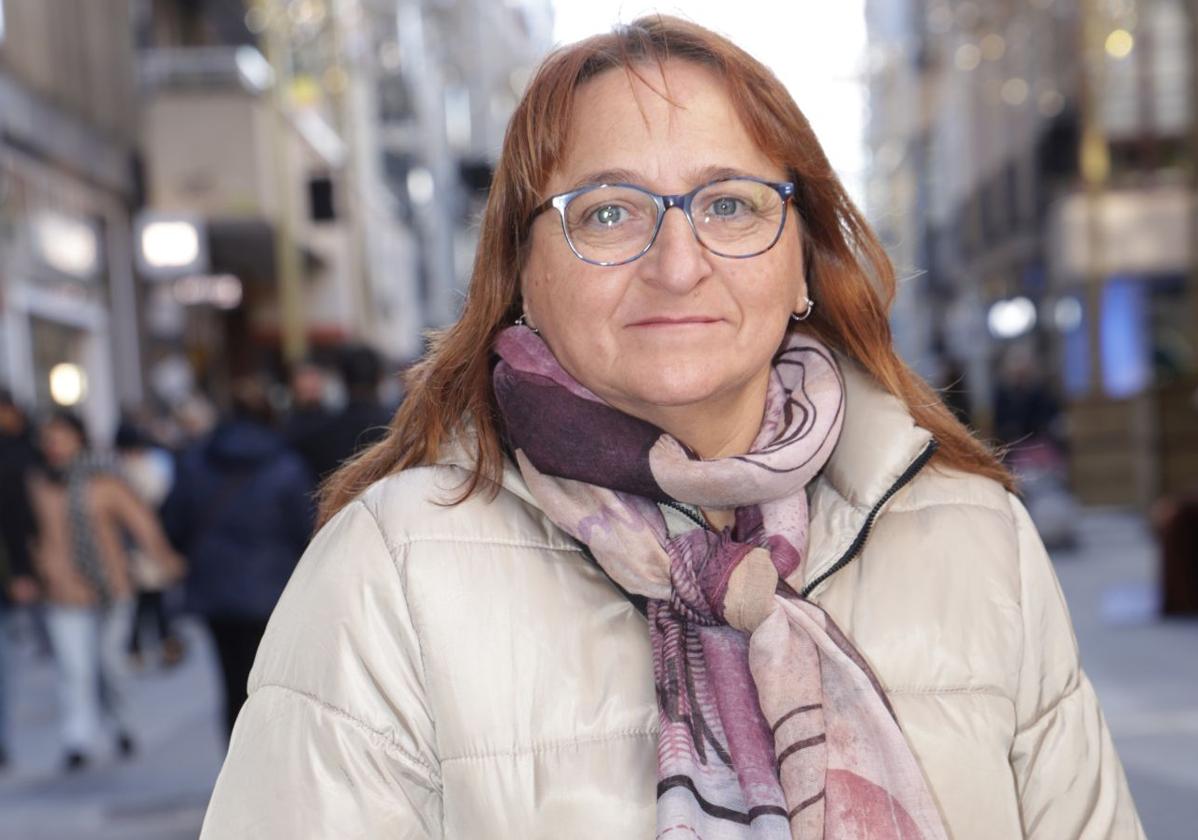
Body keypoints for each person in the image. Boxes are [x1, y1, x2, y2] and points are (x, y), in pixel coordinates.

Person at [201, 18, 1144, 839]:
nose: (678, 263)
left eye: (730, 205)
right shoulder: (390, 571)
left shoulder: (979, 541)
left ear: (803, 263)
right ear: (521, 273)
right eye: (608, 213)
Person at [28, 411, 184, 771]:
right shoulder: (39, 485)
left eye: (60, 436)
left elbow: (141, 523)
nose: (54, 445)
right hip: (62, 591)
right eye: (48, 438)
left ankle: (123, 724)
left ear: (78, 438)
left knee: (110, 663)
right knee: (74, 667)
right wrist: (38, 567)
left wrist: (165, 561)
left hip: (111, 588)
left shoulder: (105, 480)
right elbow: (28, 532)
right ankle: (77, 738)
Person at [162, 377, 314, 740]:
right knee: (271, 683)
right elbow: (305, 529)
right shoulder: (286, 465)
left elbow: (174, 522)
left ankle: (235, 760)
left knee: (231, 682)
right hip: (273, 588)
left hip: (215, 587)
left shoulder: (196, 461)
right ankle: (268, 758)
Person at [114, 419, 186, 669]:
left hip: (138, 546)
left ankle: (141, 649)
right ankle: (164, 646)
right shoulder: (154, 470)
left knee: (145, 603)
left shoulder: (119, 472)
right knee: (154, 601)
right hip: (149, 544)